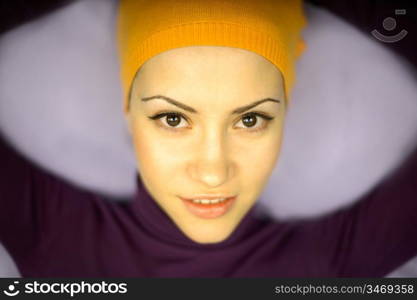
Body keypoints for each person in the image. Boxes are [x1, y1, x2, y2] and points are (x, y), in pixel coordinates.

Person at [0, 0, 416, 277]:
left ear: (286, 117)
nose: (213, 171)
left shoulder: (341, 253)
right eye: (173, 118)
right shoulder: (46, 224)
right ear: (127, 114)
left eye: (251, 120)